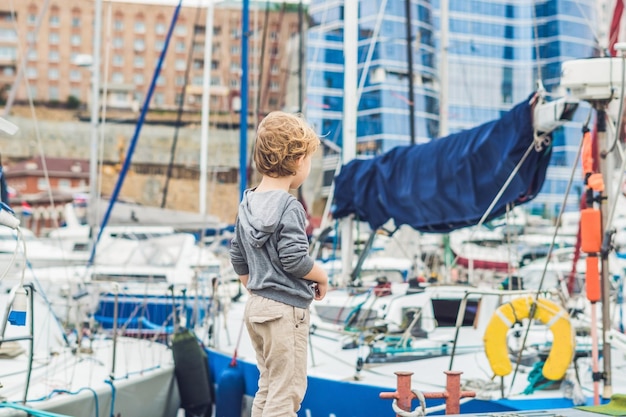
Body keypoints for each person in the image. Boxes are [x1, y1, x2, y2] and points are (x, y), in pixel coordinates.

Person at [229, 111, 329, 417]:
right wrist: (321, 276)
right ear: (298, 160)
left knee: (269, 386)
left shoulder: (248, 202)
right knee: (287, 394)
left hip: (256, 309)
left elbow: (237, 255)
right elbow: (295, 259)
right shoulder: (289, 206)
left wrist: (255, 287)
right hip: (285, 313)